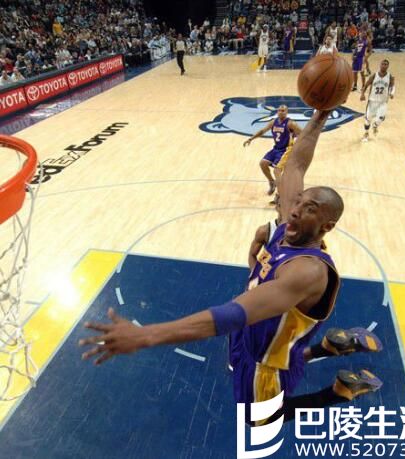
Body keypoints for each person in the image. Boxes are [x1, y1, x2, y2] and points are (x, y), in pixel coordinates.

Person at [80, 110, 383, 424]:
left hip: (266, 359)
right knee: (251, 360)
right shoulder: (286, 227)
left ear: (327, 226)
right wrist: (320, 114)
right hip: (249, 336)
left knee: (260, 418)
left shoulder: (307, 271)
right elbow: (294, 165)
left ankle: (340, 391)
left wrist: (146, 336)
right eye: (298, 202)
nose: (294, 210)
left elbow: (233, 314)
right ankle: (331, 346)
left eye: (310, 209)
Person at [243, 105, 301, 197]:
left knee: (276, 171)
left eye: (283, 110)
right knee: (263, 163)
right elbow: (262, 131)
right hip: (276, 149)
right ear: (277, 112)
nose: (281, 112)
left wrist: (297, 145)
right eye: (279, 110)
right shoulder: (273, 122)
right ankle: (272, 182)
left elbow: (302, 134)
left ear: (287, 112)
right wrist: (251, 139)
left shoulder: (291, 123)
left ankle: (280, 195)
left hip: (286, 150)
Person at [360, 59, 395, 142]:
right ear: (380, 65)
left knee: (381, 118)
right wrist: (362, 94)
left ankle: (375, 125)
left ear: (388, 66)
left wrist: (392, 93)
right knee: (368, 119)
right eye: (383, 64)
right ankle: (366, 133)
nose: (384, 65)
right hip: (372, 101)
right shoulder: (374, 75)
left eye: (386, 64)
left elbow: (392, 86)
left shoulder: (390, 76)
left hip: (383, 102)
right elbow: (366, 85)